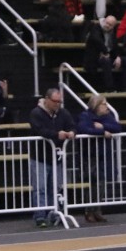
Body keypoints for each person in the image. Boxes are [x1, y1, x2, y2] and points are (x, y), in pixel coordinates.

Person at [29, 88, 75, 228]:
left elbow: (72, 125)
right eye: (55, 101)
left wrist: (72, 132)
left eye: (59, 101)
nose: (57, 104)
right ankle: (40, 216)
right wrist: (56, 134)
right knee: (40, 188)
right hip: (39, 156)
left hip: (57, 156)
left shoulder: (63, 113)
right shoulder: (36, 113)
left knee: (55, 188)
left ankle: (54, 213)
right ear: (47, 99)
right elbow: (39, 130)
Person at [75, 94, 121, 223]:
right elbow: (83, 128)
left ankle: (97, 209)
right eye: (104, 104)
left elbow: (117, 127)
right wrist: (102, 132)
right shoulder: (85, 115)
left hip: (103, 154)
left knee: (101, 183)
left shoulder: (107, 116)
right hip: (89, 155)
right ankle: (89, 210)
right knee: (91, 183)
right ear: (96, 105)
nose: (107, 107)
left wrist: (102, 127)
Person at [84, 15, 126, 92]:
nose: (107, 25)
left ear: (113, 26)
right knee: (106, 61)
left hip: (109, 55)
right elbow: (97, 40)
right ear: (104, 21)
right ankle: (110, 88)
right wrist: (105, 52)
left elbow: (115, 46)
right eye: (106, 23)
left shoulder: (112, 32)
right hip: (96, 57)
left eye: (110, 25)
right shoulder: (96, 28)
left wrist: (118, 57)